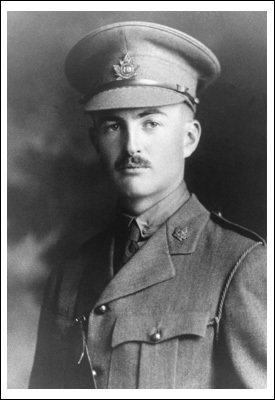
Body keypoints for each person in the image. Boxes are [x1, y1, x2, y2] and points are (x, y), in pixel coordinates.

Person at [29, 21, 266, 389]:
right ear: (95, 141)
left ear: (188, 138)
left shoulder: (239, 264)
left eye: (151, 122)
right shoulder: (69, 274)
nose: (131, 146)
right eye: (112, 126)